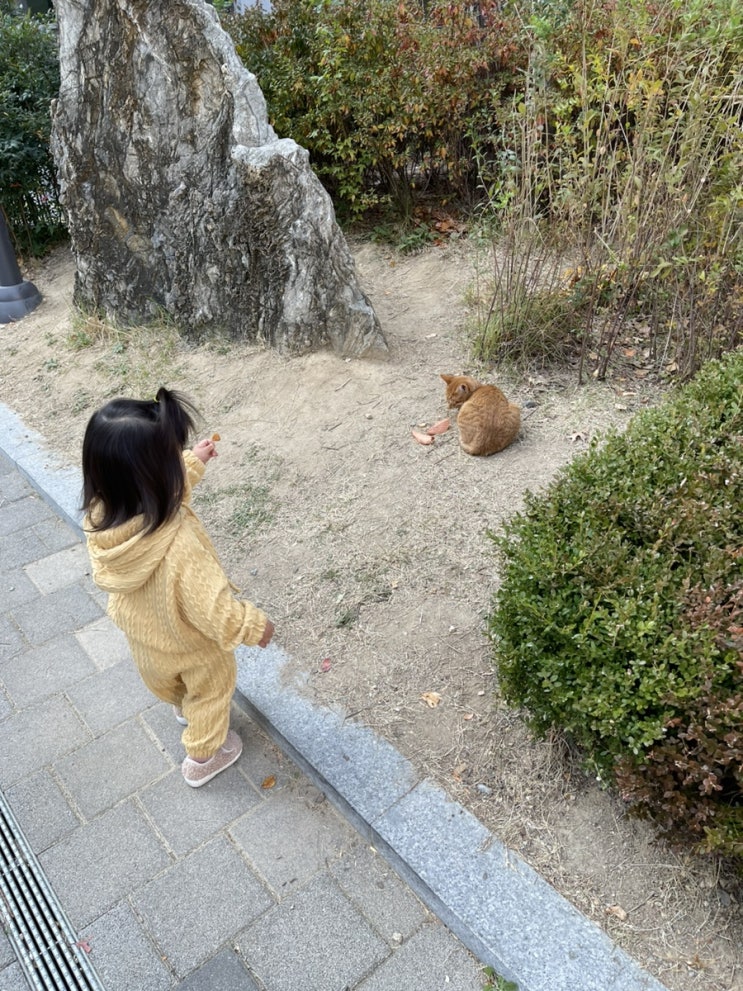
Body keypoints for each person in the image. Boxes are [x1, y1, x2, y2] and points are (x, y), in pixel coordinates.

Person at [81, 386, 275, 787]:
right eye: (173, 457)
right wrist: (255, 627)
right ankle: (204, 756)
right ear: (155, 478)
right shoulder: (179, 547)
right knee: (211, 690)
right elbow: (216, 611)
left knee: (176, 686)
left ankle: (182, 706)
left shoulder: (103, 518)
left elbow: (164, 487)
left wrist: (192, 461)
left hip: (147, 641)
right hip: (192, 646)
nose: (178, 463)